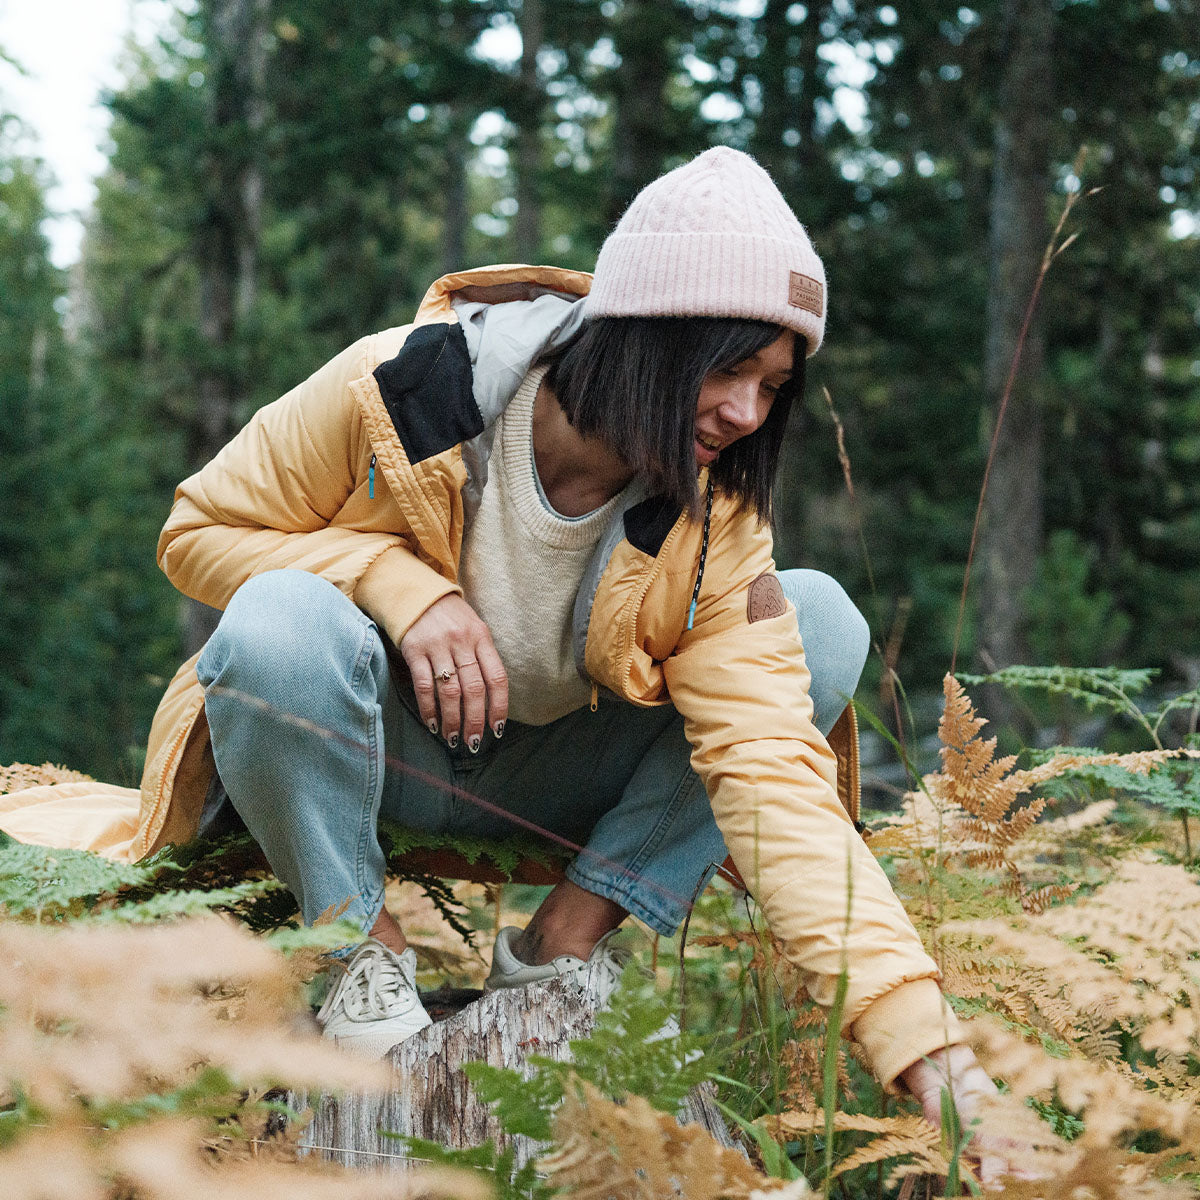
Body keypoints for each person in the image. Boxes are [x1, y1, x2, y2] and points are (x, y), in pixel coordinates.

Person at [139, 147, 999, 1158]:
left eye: (773, 384)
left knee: (818, 624)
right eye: (729, 366)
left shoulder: (713, 522)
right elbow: (195, 533)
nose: (747, 413)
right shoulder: (409, 385)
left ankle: (564, 945)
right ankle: (358, 951)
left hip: (555, 776)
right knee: (281, 616)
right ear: (642, 333)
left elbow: (775, 783)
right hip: (368, 758)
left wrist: (933, 1056)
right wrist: (399, 588)